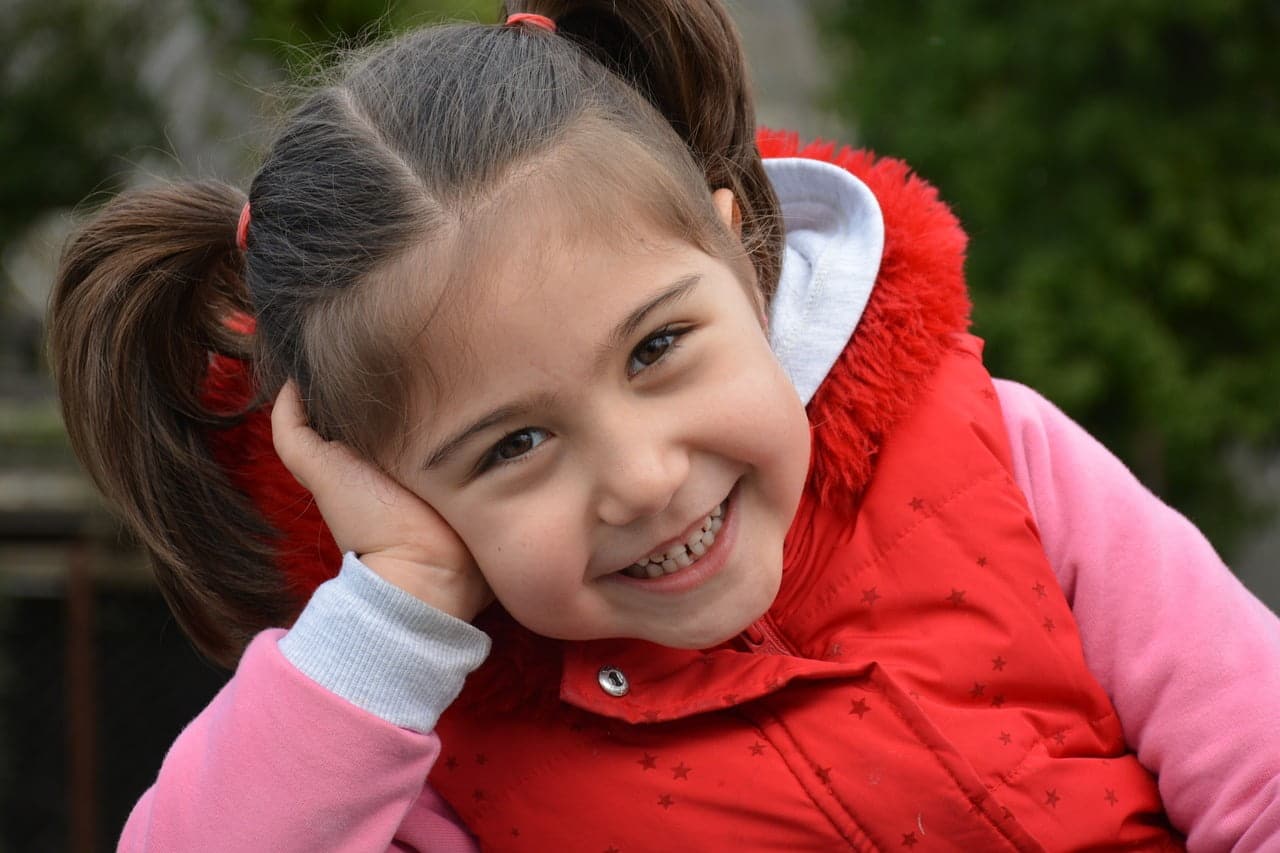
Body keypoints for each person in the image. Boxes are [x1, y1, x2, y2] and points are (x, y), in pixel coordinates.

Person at [47, 2, 1280, 850]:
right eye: (512, 445)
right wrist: (396, 608)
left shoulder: (996, 455)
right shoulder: (426, 751)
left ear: (740, 254)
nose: (641, 478)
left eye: (654, 349)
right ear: (391, 484)